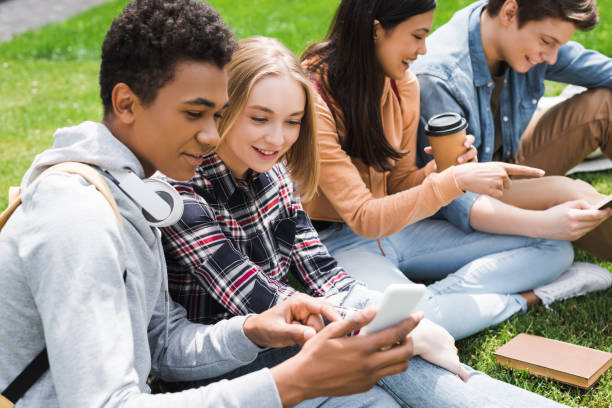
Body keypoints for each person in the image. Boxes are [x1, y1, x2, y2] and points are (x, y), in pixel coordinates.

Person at [0, 1, 446, 407]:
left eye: (218, 114)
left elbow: (163, 345)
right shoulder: (81, 219)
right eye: (195, 114)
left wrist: (251, 331)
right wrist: (293, 381)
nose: (214, 136)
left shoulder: (138, 190)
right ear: (126, 103)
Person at [160, 34, 566, 407]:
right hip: (224, 361)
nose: (277, 138)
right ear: (225, 109)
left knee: (398, 357)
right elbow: (255, 297)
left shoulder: (274, 172)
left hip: (294, 331)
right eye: (260, 118)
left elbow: (321, 270)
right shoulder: (183, 189)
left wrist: (390, 319)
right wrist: (377, 328)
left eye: (292, 121)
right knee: (391, 357)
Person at [299, 0, 604, 340]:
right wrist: (453, 181)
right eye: (417, 36)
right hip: (337, 240)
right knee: (397, 327)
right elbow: (363, 217)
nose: (423, 49)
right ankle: (522, 299)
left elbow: (400, 184)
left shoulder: (403, 84)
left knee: (554, 248)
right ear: (375, 30)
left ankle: (437, 303)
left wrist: (440, 170)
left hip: (399, 228)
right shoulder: (314, 98)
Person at [413, 0, 612, 270]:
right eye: (547, 42)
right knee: (571, 193)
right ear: (509, 12)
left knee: (605, 106)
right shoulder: (440, 78)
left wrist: (546, 44)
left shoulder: (514, 31)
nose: (553, 58)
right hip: (472, 192)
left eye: (558, 46)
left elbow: (604, 71)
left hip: (509, 156)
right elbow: (453, 197)